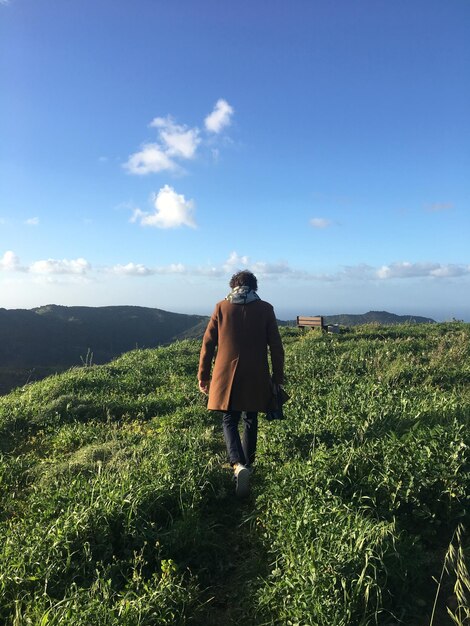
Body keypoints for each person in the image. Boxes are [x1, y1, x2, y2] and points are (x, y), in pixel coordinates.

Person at [198, 270, 285, 496]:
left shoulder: (221, 307)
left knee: (229, 419)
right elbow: (276, 346)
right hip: (257, 373)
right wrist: (277, 378)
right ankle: (249, 464)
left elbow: (207, 344)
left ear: (232, 286)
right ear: (254, 287)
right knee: (251, 418)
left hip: (227, 374)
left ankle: (237, 465)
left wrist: (203, 375)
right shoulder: (266, 309)